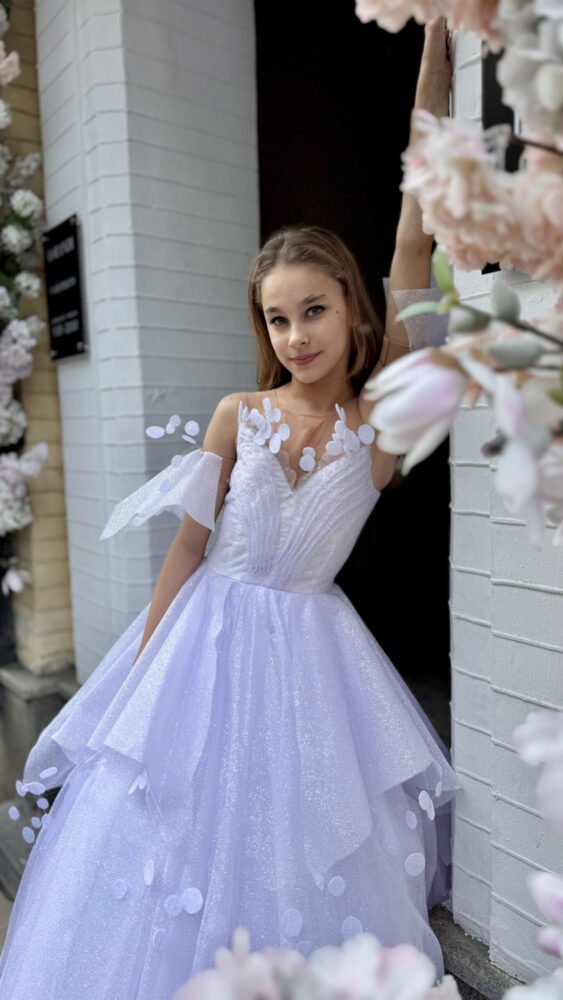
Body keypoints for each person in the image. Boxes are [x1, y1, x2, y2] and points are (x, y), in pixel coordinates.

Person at [0, 19, 458, 1000]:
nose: (294, 335)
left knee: (298, 840)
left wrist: (439, 48)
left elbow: (414, 245)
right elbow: (185, 552)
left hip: (312, 665)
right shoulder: (235, 416)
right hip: (202, 646)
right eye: (275, 317)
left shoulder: (378, 429)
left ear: (353, 307)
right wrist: (141, 671)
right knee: (170, 836)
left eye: (313, 309)